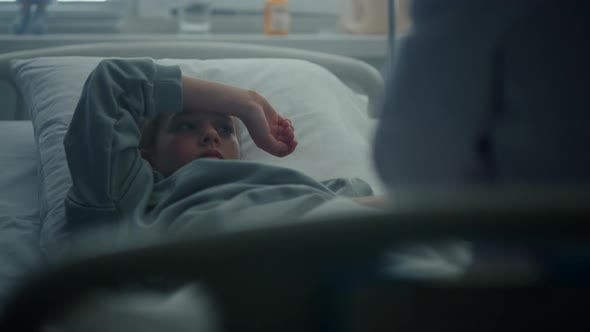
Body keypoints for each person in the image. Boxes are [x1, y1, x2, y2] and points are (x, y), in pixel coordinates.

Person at [63, 58, 379, 238]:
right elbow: (114, 82)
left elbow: (372, 208)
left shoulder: (302, 188)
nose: (212, 136)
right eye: (186, 126)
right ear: (146, 157)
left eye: (225, 129)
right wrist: (245, 103)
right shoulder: (132, 199)